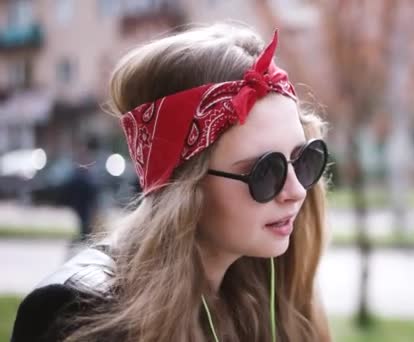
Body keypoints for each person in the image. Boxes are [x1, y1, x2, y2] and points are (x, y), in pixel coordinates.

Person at [11, 22, 331, 342]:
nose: (297, 191)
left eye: (304, 160)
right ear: (184, 186)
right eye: (265, 171)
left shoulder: (264, 292)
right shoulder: (79, 317)